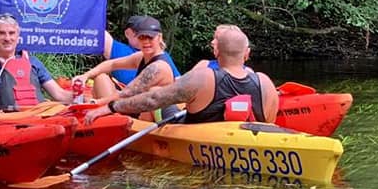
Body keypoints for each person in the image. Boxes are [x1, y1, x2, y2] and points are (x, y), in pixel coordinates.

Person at [84, 25, 278, 125]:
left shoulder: (203, 76)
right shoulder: (265, 83)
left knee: (155, 89)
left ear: (217, 52)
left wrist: (110, 107)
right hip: (241, 142)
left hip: (199, 137)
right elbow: (268, 125)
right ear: (247, 54)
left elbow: (153, 99)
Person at [0, 13, 74, 110]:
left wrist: (80, 96)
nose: (7, 38)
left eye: (11, 33)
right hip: (4, 127)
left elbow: (59, 95)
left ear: (17, 36)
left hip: (38, 122)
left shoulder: (33, 62)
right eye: (1, 33)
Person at [74, 15, 176, 120]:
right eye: (142, 37)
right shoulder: (141, 56)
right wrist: (85, 76)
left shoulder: (159, 67)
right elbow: (112, 64)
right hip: (133, 106)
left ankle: (110, 121)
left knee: (151, 93)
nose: (146, 41)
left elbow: (128, 92)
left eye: (150, 37)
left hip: (145, 116)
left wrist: (96, 103)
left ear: (159, 37)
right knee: (101, 77)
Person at [102, 15, 182, 87]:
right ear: (127, 33)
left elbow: (178, 81)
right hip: (123, 95)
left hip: (150, 98)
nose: (144, 37)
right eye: (139, 32)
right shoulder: (117, 48)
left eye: (149, 35)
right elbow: (97, 30)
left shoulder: (161, 55)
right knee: (101, 78)